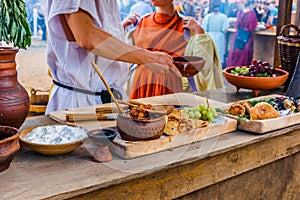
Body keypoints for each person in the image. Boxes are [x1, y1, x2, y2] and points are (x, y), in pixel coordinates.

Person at [44, 0, 182, 114]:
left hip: (110, 100)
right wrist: (148, 58)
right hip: (79, 103)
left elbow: (103, 35)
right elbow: (87, 36)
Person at [127, 0, 224, 99]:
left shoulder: (187, 25)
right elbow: (128, 54)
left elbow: (202, 60)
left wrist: (199, 31)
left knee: (171, 113)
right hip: (142, 81)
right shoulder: (142, 21)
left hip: (171, 83)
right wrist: (122, 26)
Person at [226, 0, 257, 67]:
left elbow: (236, 25)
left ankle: (232, 68)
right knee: (244, 55)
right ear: (251, 4)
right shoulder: (252, 13)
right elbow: (252, 27)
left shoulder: (240, 12)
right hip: (247, 37)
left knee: (236, 53)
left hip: (238, 35)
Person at [202, 0, 229, 68]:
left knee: (210, 53)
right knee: (218, 54)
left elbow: (204, 29)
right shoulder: (223, 17)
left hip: (209, 36)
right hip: (220, 37)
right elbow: (225, 30)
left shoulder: (207, 17)